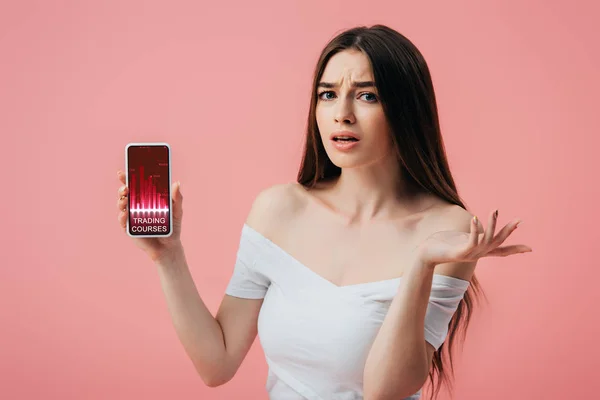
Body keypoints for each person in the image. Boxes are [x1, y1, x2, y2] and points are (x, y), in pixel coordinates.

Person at [116, 24, 532, 400]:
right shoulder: (278, 209)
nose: (342, 112)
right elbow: (217, 364)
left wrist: (421, 265)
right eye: (328, 94)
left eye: (367, 95)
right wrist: (167, 256)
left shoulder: (449, 229)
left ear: (406, 110)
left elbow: (385, 390)